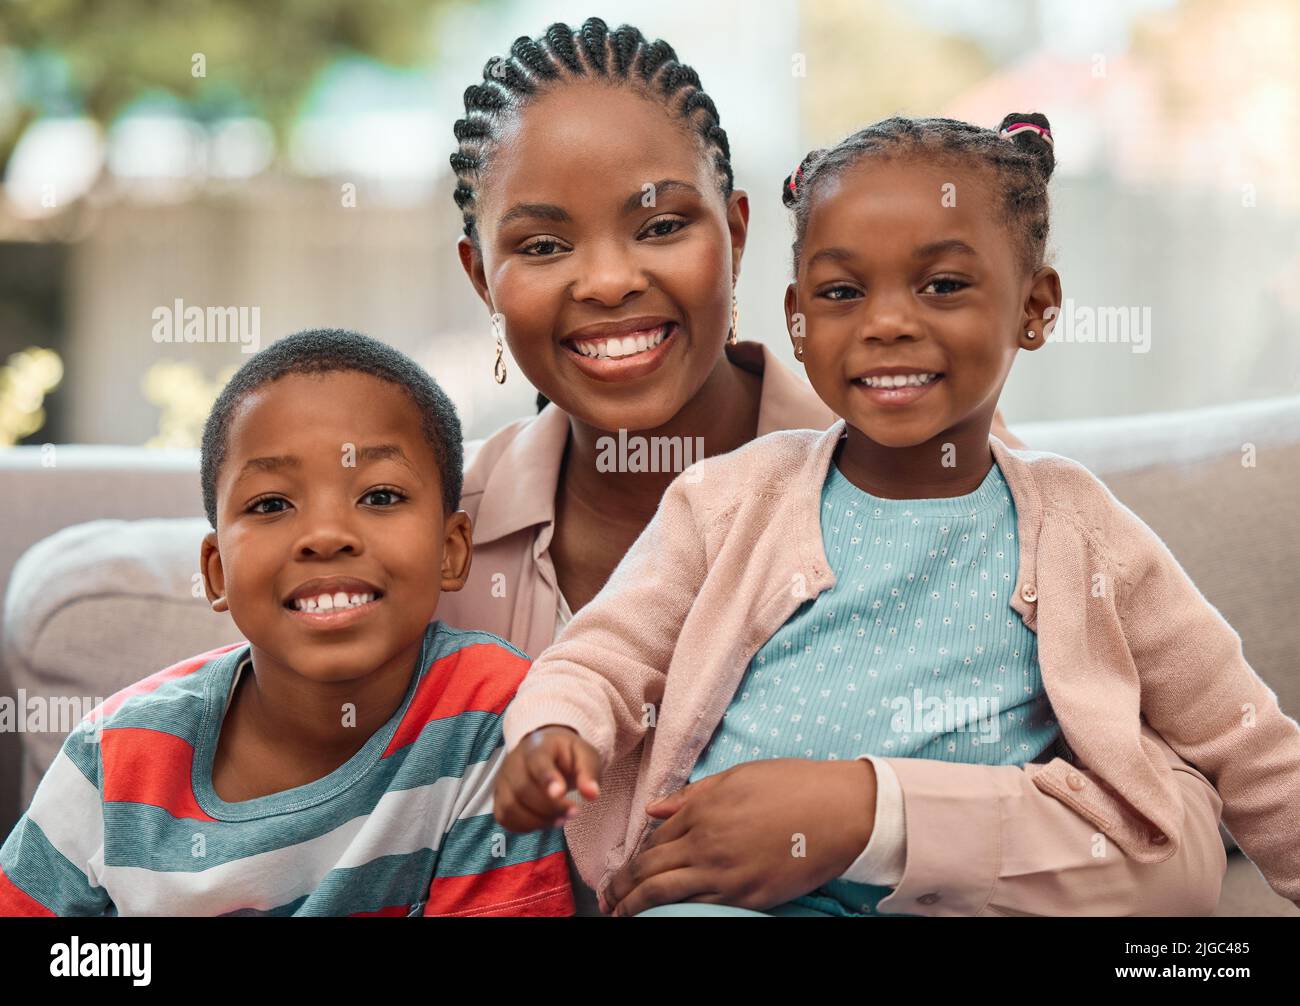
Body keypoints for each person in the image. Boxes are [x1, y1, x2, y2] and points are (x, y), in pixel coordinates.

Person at [441, 19, 1227, 915]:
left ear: (736, 235)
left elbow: (1181, 855)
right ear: (482, 278)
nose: (610, 280)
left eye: (661, 224)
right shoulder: (412, 534)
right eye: (542, 245)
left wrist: (870, 813)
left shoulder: (946, 470)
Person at [0, 329, 572, 917]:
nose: (326, 537)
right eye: (272, 504)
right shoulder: (113, 754)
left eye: (378, 496)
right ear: (217, 572)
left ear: (451, 551)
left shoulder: (492, 720)